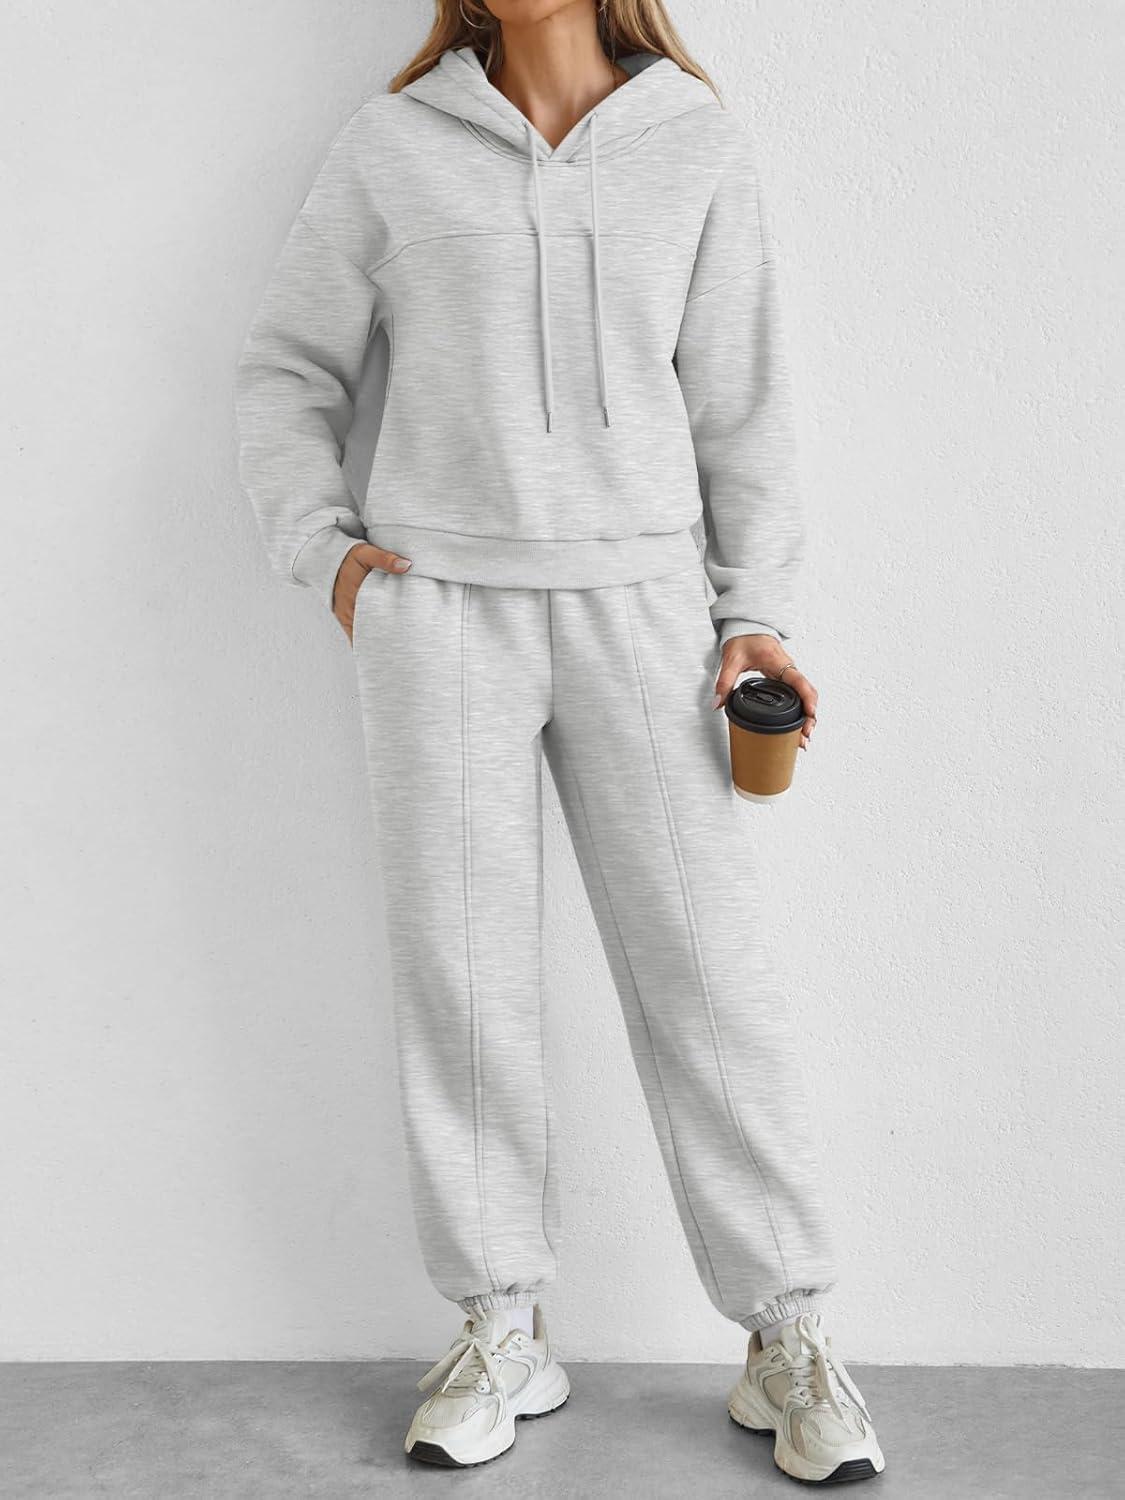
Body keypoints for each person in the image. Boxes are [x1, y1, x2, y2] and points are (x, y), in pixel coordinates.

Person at [234, 0, 885, 1484]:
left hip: (645, 611)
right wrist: (329, 556)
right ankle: (500, 1327)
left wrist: (753, 616)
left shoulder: (695, 144)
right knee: (462, 982)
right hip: (442, 610)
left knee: (707, 975)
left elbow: (744, 405)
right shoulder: (391, 146)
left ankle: (784, 1333)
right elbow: (284, 370)